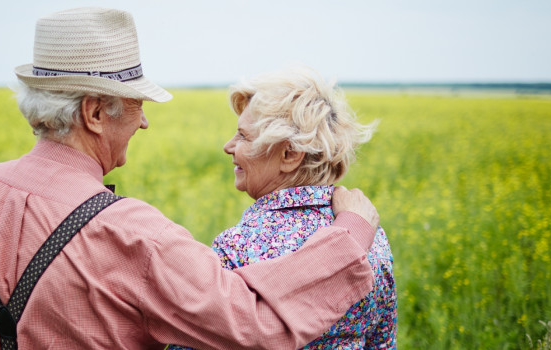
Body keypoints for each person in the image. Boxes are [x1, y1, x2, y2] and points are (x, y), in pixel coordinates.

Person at [0, 8, 381, 349]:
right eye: (137, 105)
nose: (143, 123)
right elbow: (253, 320)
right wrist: (351, 233)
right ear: (96, 112)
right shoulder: (132, 235)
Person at [169, 67, 396, 349]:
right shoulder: (371, 237)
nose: (229, 146)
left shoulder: (237, 249)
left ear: (289, 155)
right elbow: (382, 342)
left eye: (243, 136)